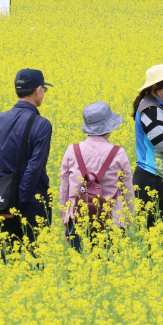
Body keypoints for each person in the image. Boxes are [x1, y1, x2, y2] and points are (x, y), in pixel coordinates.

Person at [0, 69, 54, 255]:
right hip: (32, 200)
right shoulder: (41, 123)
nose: (44, 93)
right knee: (36, 265)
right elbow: (34, 168)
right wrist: (17, 204)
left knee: (7, 264)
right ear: (38, 90)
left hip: (3, 200)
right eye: (44, 89)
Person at [59, 102, 134, 243]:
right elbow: (127, 190)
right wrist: (128, 221)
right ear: (109, 128)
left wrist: (66, 219)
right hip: (112, 220)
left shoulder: (71, 151)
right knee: (109, 264)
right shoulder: (118, 153)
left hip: (77, 220)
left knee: (79, 263)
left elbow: (64, 189)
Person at [133, 64, 163, 227]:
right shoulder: (150, 109)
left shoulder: (161, 105)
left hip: (161, 176)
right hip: (152, 178)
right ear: (155, 87)